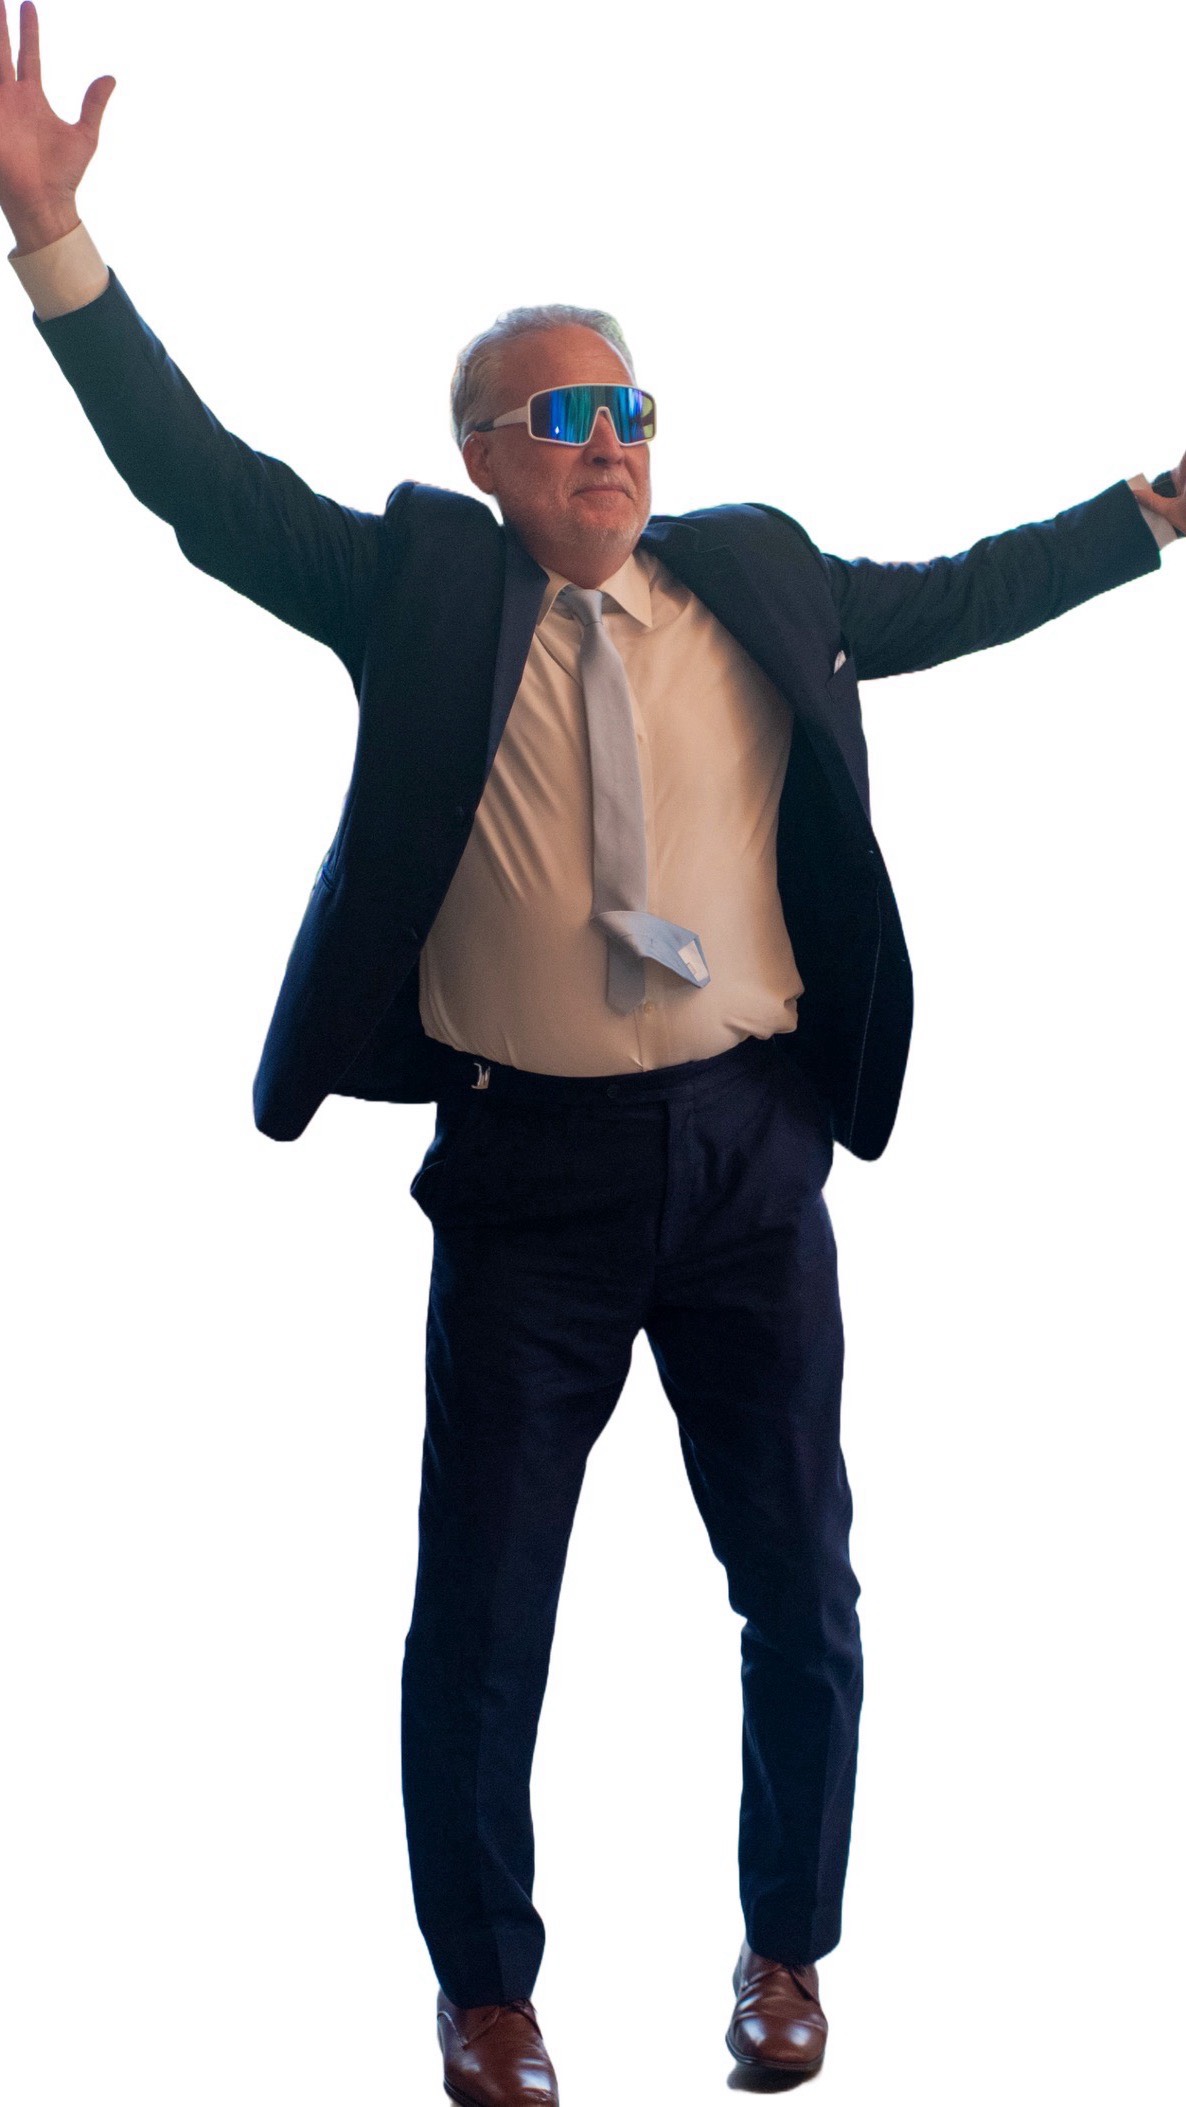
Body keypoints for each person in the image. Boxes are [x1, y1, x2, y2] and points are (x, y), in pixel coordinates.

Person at [3, 6, 1183, 2101]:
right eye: (557, 415)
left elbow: (972, 591)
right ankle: (487, 1994)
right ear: (484, 454)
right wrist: (52, 242)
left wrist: (1155, 508)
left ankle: (783, 1954)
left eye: (626, 405)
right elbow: (197, 485)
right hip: (524, 1181)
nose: (605, 442)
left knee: (798, 1585)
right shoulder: (415, 589)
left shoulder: (758, 576)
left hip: (748, 1164)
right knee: (482, 1616)